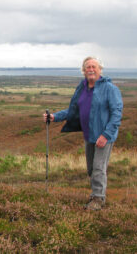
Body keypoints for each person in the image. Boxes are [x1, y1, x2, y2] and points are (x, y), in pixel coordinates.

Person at [43, 57, 123, 210]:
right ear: (83, 71)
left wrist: (106, 135)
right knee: (91, 168)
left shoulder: (110, 89)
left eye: (94, 66)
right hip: (89, 135)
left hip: (104, 136)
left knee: (99, 167)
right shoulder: (83, 88)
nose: (91, 70)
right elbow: (74, 111)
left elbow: (116, 114)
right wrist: (55, 116)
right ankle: (95, 194)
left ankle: (98, 199)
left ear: (100, 69)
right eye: (87, 67)